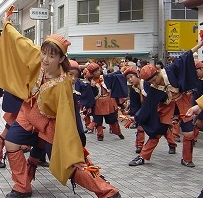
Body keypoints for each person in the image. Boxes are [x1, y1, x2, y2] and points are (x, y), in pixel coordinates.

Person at [0, 12, 121, 198]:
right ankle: (22, 185)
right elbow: (19, 41)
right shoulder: (37, 57)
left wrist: (69, 144)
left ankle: (108, 191)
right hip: (28, 112)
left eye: (52, 55)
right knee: (11, 142)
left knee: (68, 162)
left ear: (61, 58)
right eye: (44, 53)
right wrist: (7, 24)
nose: (46, 59)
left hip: (52, 123)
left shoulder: (63, 83)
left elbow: (66, 116)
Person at [129, 39, 203, 168]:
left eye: (153, 79)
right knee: (157, 132)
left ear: (158, 72)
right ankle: (142, 156)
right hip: (167, 107)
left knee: (188, 133)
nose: (153, 83)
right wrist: (136, 117)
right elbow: (148, 105)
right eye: (149, 82)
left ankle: (187, 159)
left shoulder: (170, 70)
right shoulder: (152, 86)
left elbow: (185, 57)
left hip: (182, 101)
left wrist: (199, 45)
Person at [122, 66, 177, 154]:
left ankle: (172, 144)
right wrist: (136, 115)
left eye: (131, 77)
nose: (130, 80)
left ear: (137, 75)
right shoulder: (133, 90)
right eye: (128, 79)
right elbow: (135, 104)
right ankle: (139, 146)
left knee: (163, 127)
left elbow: (157, 96)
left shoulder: (147, 83)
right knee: (141, 126)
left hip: (158, 108)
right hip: (145, 109)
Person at [84, 62, 127, 141]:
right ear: (92, 73)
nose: (98, 72)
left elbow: (113, 76)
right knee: (98, 120)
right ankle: (100, 135)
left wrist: (120, 71)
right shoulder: (90, 83)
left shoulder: (105, 77)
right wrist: (92, 87)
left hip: (108, 101)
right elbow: (90, 95)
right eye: (95, 71)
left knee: (112, 119)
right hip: (97, 103)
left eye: (98, 70)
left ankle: (118, 132)